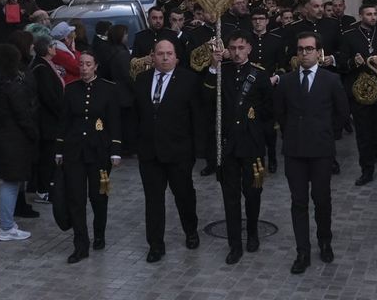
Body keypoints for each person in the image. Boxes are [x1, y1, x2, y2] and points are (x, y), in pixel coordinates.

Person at [271, 32, 349, 274]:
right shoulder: (287, 82)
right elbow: (280, 113)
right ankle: (302, 250)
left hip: (321, 149)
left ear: (318, 52)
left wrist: (325, 132)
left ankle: (324, 240)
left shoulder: (331, 80)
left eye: (308, 49)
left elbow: (342, 113)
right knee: (298, 201)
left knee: (322, 199)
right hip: (295, 150)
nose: (304, 53)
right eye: (300, 49)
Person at [203, 32, 271, 265]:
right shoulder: (223, 71)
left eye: (241, 47)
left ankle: (252, 232)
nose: (237, 52)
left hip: (251, 144)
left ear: (249, 48)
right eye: (232, 48)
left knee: (252, 192)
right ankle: (235, 244)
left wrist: (261, 136)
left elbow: (268, 110)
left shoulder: (260, 75)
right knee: (230, 197)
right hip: (228, 144)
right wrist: (213, 67)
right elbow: (207, 98)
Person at [133, 38, 200, 262]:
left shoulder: (189, 80)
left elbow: (196, 117)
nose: (164, 57)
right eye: (160, 53)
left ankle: (191, 230)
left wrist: (195, 152)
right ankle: (155, 244)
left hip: (178, 151)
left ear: (176, 57)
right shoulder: (141, 80)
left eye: (168, 53)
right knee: (153, 200)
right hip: (150, 152)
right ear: (152, 56)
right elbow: (137, 114)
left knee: (184, 195)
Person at [56, 51, 123, 263]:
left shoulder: (109, 89)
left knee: (99, 196)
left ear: (96, 66)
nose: (84, 68)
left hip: (99, 152)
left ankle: (99, 233)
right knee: (76, 198)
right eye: (81, 64)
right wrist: (59, 149)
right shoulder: (71, 89)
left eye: (88, 64)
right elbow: (64, 121)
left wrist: (116, 150)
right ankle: (80, 244)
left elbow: (114, 121)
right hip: (75, 151)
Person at [338, 0, 377, 186]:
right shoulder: (349, 35)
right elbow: (342, 63)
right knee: (364, 132)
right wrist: (351, 63)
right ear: (361, 16)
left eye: (374, 14)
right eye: (369, 14)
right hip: (360, 91)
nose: (373, 17)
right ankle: (367, 169)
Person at [0, 43, 36, 242]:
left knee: (9, 181)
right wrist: (33, 134)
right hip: (12, 140)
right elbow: (23, 115)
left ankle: (8, 223)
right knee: (11, 183)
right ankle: (6, 227)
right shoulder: (10, 87)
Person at [27, 33, 66, 203]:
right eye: (52, 46)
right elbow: (48, 96)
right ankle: (43, 188)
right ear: (46, 49)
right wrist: (61, 112)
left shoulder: (47, 64)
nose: (55, 48)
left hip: (50, 117)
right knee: (46, 155)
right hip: (46, 119)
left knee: (49, 153)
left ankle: (45, 185)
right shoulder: (41, 67)